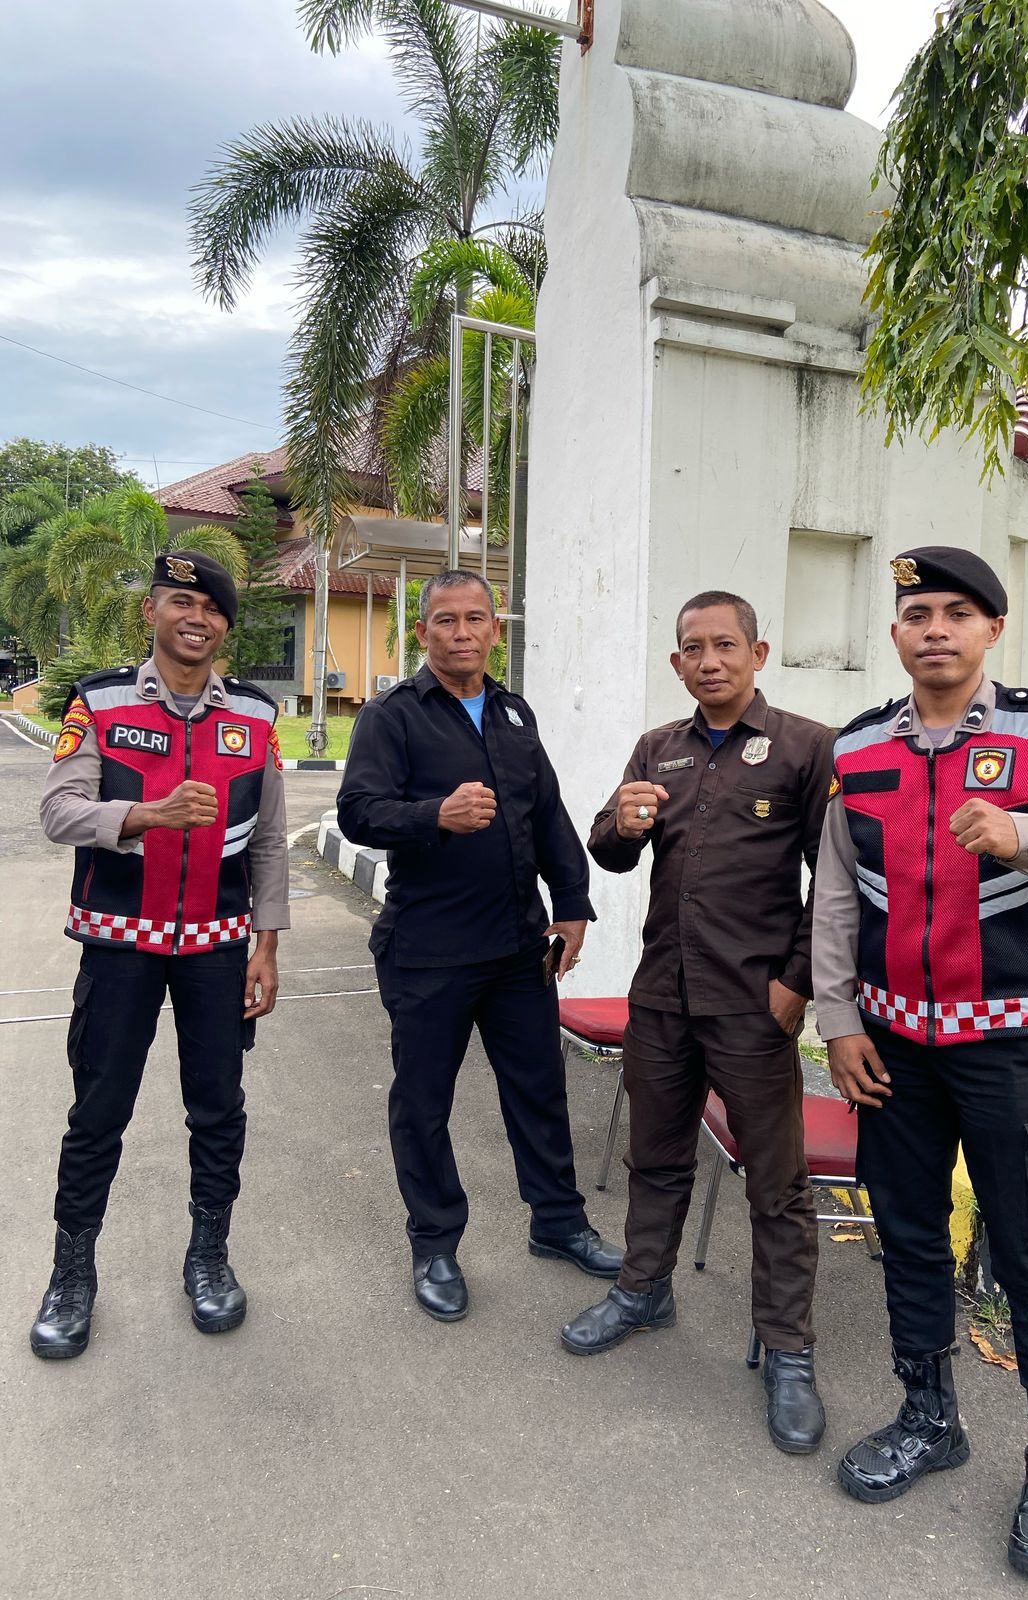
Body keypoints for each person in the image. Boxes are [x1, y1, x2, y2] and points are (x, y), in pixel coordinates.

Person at [813, 546, 1028, 1579]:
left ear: (991, 631)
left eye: (958, 613)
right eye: (918, 613)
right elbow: (837, 893)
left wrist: (1022, 832)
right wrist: (838, 1020)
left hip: (1006, 1047)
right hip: (893, 1051)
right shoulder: (859, 746)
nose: (936, 630)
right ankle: (930, 1416)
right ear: (895, 633)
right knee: (910, 1237)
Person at [561, 591, 835, 1455]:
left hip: (753, 1003)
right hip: (662, 995)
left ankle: (787, 1348)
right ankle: (644, 1289)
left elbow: (834, 878)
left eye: (725, 645)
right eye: (692, 648)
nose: (709, 660)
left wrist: (797, 985)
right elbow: (609, 850)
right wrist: (620, 825)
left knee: (776, 1184)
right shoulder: (659, 748)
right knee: (656, 1157)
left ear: (758, 653)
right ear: (676, 662)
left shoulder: (805, 746)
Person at [336, 569, 621, 1323]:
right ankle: (435, 1244)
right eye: (445, 620)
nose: (461, 633)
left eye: (474, 619)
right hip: (429, 949)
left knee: (539, 1089)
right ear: (422, 631)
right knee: (424, 1102)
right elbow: (358, 812)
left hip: (517, 947)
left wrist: (572, 905)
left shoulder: (514, 713)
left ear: (496, 629)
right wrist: (436, 814)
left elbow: (548, 816)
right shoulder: (392, 716)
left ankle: (557, 1222)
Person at [32, 550, 289, 1359]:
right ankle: (72, 1273)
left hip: (219, 947)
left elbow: (270, 841)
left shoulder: (255, 716)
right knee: (98, 1112)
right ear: (152, 611)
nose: (197, 618)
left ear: (224, 628)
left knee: (218, 1109)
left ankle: (208, 1256)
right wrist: (146, 815)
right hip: (119, 945)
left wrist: (267, 945)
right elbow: (58, 811)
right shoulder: (100, 702)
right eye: (181, 601)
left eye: (212, 609)